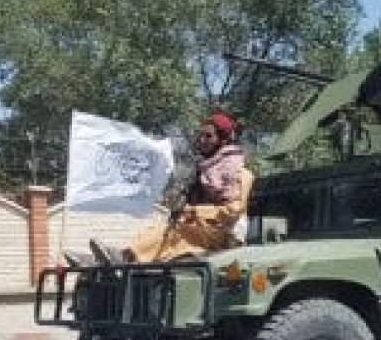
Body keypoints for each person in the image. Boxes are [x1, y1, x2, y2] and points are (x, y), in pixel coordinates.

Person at [81, 111, 254, 265]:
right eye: (201, 135)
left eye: (208, 136)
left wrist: (195, 212)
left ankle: (124, 259)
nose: (202, 140)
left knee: (174, 232)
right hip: (204, 229)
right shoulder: (206, 170)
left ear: (222, 140)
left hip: (225, 236)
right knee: (157, 228)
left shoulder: (238, 172)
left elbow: (233, 211)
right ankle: (106, 263)